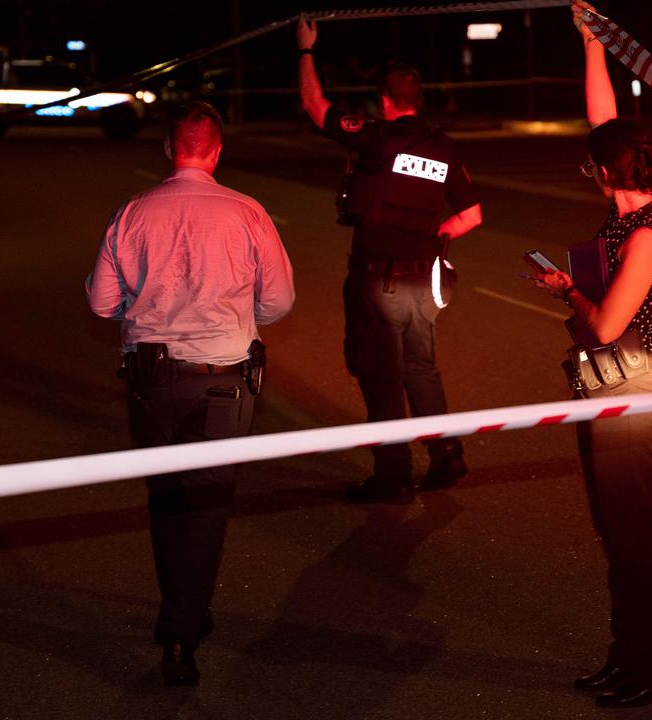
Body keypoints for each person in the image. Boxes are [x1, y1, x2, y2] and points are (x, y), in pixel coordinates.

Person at [86, 101, 295, 686]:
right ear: (218, 149)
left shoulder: (132, 213)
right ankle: (181, 632)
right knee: (206, 505)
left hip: (152, 381)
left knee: (167, 499)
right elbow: (278, 303)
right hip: (223, 380)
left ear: (167, 148)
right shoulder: (248, 213)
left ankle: (180, 611)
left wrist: (144, 305)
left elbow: (102, 303)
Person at [529, 1, 652, 708]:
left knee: (635, 540)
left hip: (629, 383)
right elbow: (604, 121)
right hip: (605, 385)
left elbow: (606, 325)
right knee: (615, 535)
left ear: (606, 172)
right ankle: (630, 657)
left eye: (591, 163)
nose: (586, 167)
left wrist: (566, 290)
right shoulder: (627, 207)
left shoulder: (649, 231)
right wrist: (590, 43)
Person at [297, 18, 483, 503]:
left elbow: (316, 108)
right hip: (424, 278)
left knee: (380, 376)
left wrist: (305, 51)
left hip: (379, 279)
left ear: (383, 98)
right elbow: (473, 215)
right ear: (417, 99)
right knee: (421, 370)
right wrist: (432, 234)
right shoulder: (442, 146)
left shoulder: (377, 138)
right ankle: (446, 453)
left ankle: (393, 474)